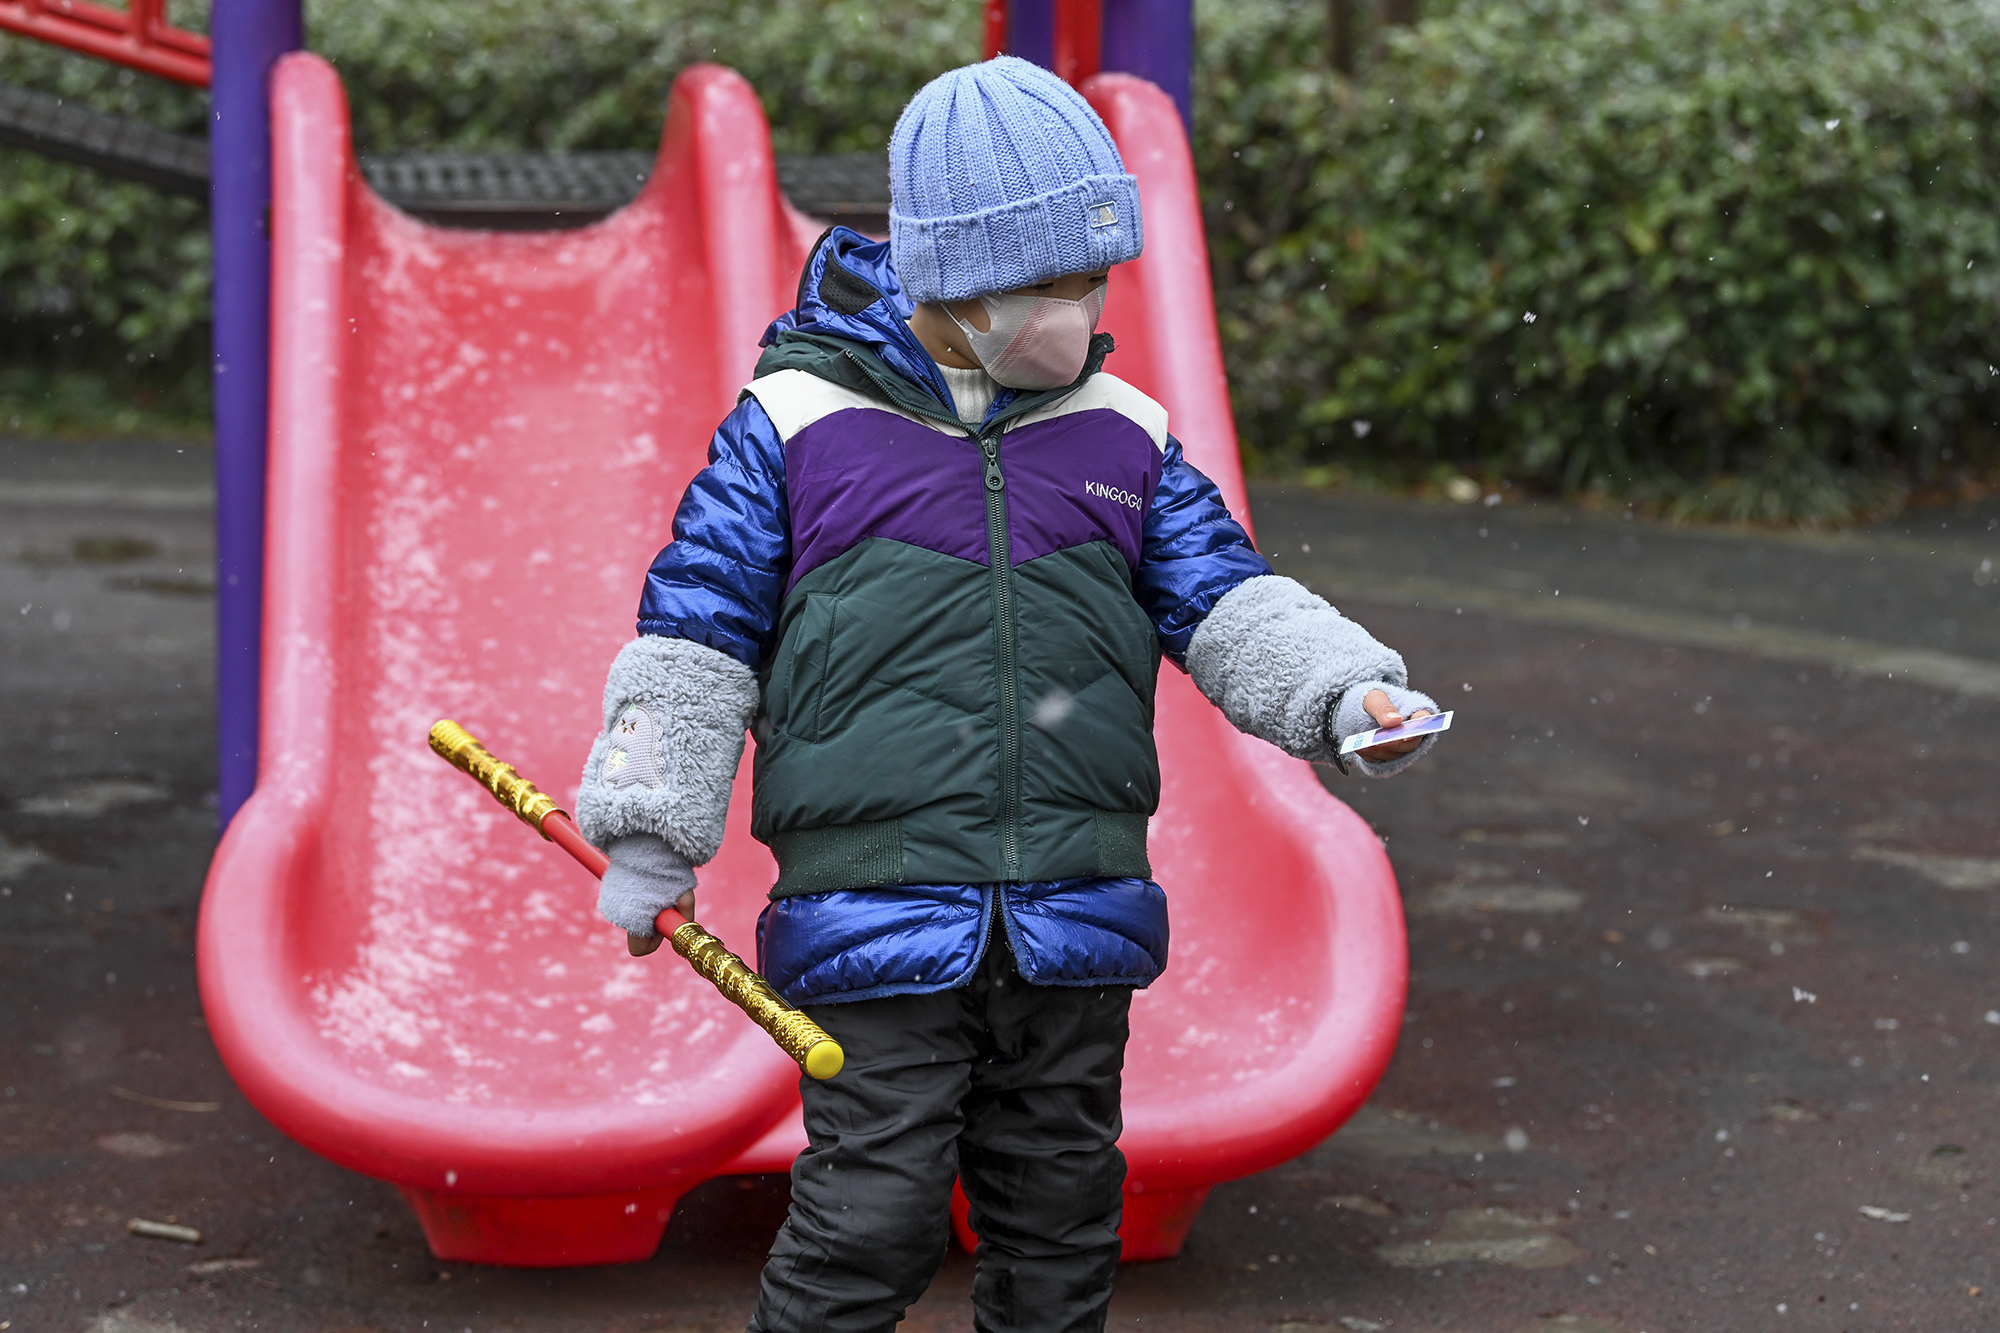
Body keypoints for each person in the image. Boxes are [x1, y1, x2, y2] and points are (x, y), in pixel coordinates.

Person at [574, 55, 1438, 1333]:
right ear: (949, 279)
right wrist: (652, 826)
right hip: (871, 903)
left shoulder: (1123, 431)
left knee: (1060, 1214)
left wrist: (1343, 693)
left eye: (1091, 283)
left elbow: (1228, 598)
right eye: (1043, 288)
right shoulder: (795, 424)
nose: (1074, 314)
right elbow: (697, 629)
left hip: (1074, 906)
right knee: (871, 1209)